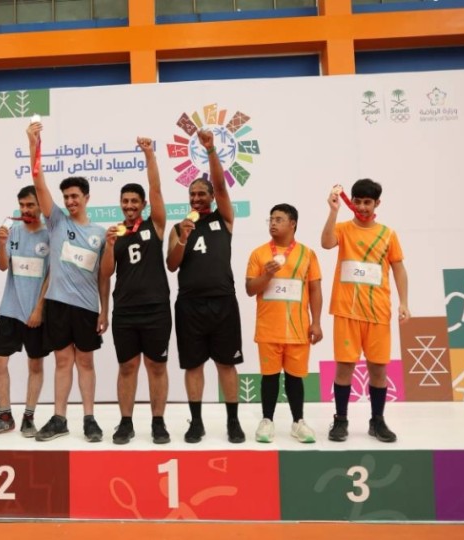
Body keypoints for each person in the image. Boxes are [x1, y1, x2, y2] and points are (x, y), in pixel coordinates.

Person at [26, 122, 110, 442]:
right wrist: (34, 144)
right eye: (66, 197)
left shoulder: (100, 234)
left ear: (86, 197)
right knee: (63, 361)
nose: (70, 201)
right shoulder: (57, 221)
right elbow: (38, 181)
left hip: (87, 307)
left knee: (85, 361)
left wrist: (105, 310)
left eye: (75, 196)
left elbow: (103, 278)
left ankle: (89, 419)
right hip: (58, 304)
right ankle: (59, 418)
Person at [166, 129, 246, 444]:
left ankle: (233, 422)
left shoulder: (223, 218)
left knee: (226, 364)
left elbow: (222, 185)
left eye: (202, 194)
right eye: (192, 195)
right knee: (193, 365)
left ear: (211, 197)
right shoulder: (179, 227)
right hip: (190, 305)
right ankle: (196, 422)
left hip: (223, 301)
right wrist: (183, 239)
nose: (196, 199)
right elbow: (172, 264)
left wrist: (211, 150)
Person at [319, 179, 410, 443]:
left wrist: (404, 302)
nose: (361, 207)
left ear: (377, 203)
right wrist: (333, 211)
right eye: (357, 201)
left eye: (367, 202)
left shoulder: (388, 234)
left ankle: (377, 420)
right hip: (346, 311)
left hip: (378, 313)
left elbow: (399, 269)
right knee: (344, 368)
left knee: (378, 370)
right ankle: (340, 420)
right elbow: (326, 243)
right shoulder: (343, 228)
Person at [99, 137, 171, 445]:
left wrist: (149, 154)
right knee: (127, 366)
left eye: (134, 202)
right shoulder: (116, 233)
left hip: (156, 309)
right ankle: (125, 422)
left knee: (156, 366)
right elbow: (106, 273)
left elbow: (156, 189)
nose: (129, 206)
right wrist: (109, 246)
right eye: (125, 201)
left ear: (143, 205)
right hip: (125, 311)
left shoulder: (155, 225)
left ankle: (158, 422)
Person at [0, 187, 52, 438]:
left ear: (40, 206)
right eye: (22, 205)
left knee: (35, 364)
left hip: (36, 312)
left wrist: (39, 308)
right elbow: (1, 266)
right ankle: (4, 417)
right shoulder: (13, 232)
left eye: (30, 205)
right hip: (10, 309)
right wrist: (1, 244)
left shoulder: (51, 234)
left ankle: (29, 417)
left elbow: (51, 275)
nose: (25, 210)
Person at [244, 204, 323, 443]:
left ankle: (298, 422)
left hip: (298, 329)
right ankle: (267, 421)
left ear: (292, 223)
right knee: (269, 377)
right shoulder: (258, 253)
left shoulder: (307, 254)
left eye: (279, 219)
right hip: (268, 329)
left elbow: (315, 289)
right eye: (271, 219)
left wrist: (316, 322)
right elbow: (250, 289)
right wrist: (267, 274)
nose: (273, 223)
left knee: (295, 378)